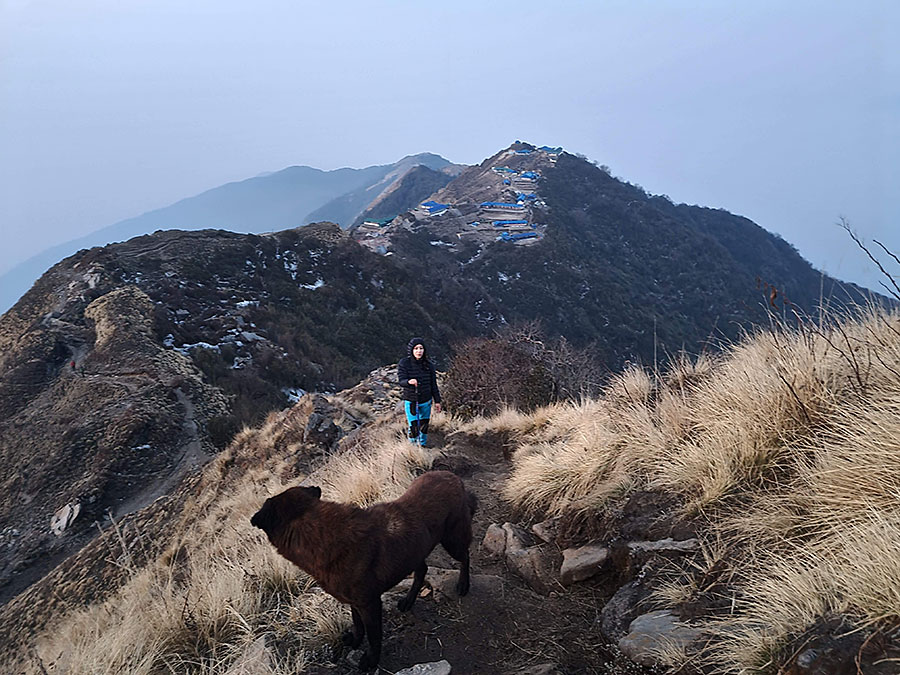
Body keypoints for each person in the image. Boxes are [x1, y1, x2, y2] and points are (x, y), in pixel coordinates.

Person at [397, 337, 441, 446]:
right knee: (414, 427)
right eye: (416, 348)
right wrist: (409, 382)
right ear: (411, 350)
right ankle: (412, 449)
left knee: (424, 425)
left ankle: (423, 445)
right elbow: (401, 381)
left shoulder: (429, 365)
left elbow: (433, 384)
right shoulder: (404, 363)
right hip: (411, 400)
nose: (419, 351)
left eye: (421, 348)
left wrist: (437, 401)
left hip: (426, 400)